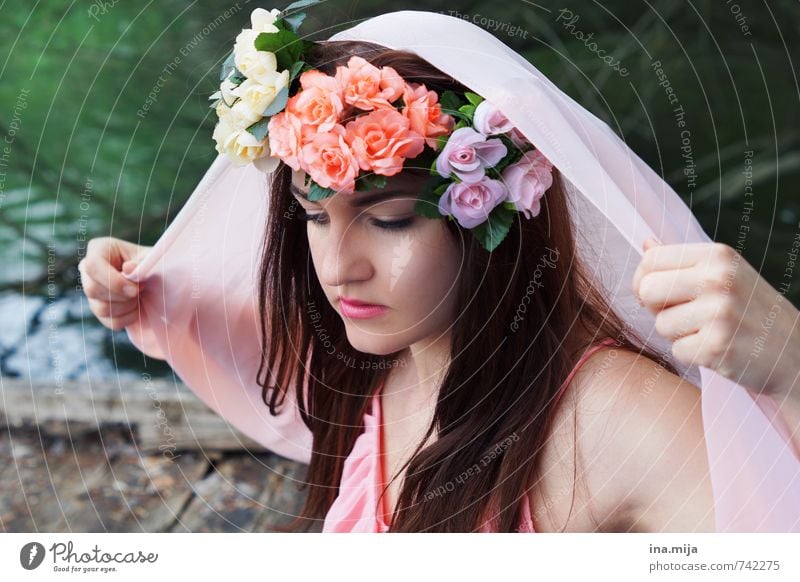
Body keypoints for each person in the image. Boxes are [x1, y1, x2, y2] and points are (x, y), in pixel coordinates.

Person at [79, 9, 799, 532]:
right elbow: (265, 349)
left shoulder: (606, 417)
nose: (338, 269)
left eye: (389, 220)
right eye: (313, 214)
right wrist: (147, 287)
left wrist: (792, 367)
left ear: (488, 213)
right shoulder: (393, 357)